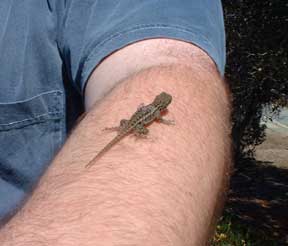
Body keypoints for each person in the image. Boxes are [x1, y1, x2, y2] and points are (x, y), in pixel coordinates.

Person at [0, 0, 232, 245]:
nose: (163, 105)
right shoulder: (155, 112)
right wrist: (144, 129)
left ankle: (119, 131)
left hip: (130, 124)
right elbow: (152, 118)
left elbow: (171, 67)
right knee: (130, 128)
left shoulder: (151, 109)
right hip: (133, 124)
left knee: (125, 128)